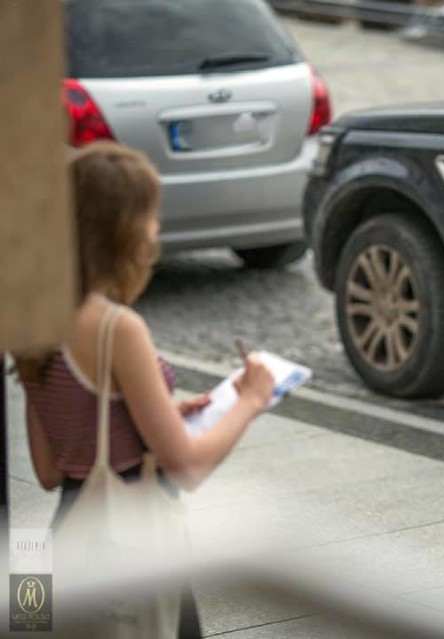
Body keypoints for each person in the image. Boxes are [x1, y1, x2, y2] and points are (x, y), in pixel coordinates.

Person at [13, 141, 276, 638]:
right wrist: (251, 400)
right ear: (122, 228)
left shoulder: (36, 319)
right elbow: (188, 466)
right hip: (132, 542)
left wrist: (160, 414)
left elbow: (53, 469)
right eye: (151, 215)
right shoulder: (117, 327)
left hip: (71, 530)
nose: (156, 229)